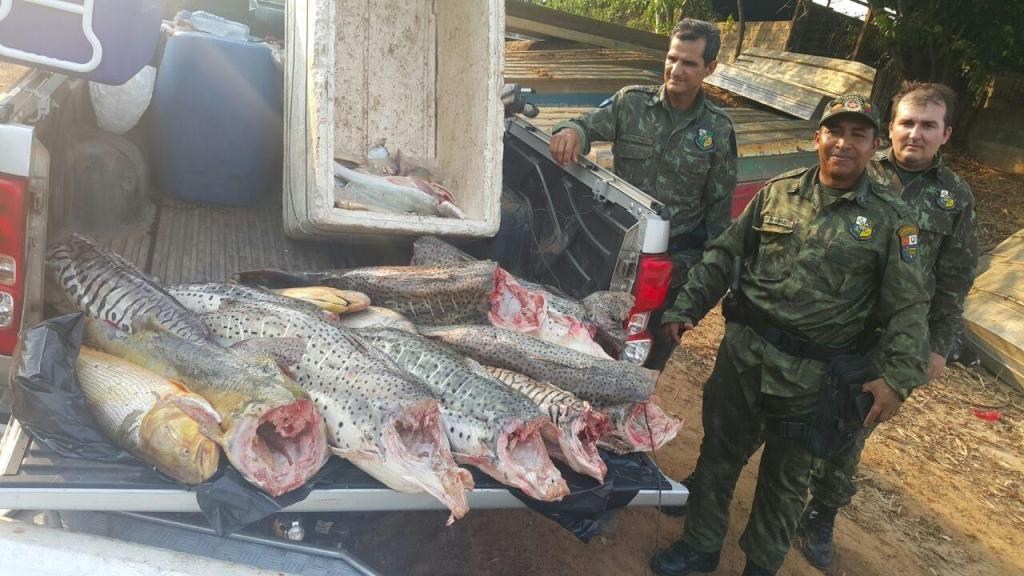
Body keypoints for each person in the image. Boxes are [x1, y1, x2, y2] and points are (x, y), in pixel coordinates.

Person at [649, 94, 931, 576]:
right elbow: (724, 253)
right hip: (745, 355)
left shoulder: (893, 220)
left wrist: (898, 378)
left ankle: (760, 566)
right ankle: (699, 546)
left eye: (857, 135)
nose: (844, 143)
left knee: (785, 479)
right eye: (835, 131)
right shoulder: (776, 193)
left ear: (874, 145)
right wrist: (687, 305)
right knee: (719, 453)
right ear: (817, 136)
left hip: (815, 378)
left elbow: (910, 305)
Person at [798, 82, 979, 569]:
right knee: (787, 407)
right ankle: (755, 487)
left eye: (927, 126)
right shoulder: (857, 167)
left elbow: (955, 280)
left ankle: (821, 513)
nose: (914, 134)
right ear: (889, 130)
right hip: (828, 320)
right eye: (906, 123)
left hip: (887, 341)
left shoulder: (954, 198)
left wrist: (937, 347)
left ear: (946, 134)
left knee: (849, 431)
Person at [548, 17, 737, 370]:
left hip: (672, 266)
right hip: (614, 252)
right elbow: (584, 125)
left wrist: (695, 296)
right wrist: (571, 132)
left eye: (689, 63)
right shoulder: (631, 103)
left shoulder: (717, 131)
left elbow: (718, 222)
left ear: (709, 68)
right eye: (672, 58)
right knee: (590, 337)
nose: (676, 70)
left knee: (647, 357)